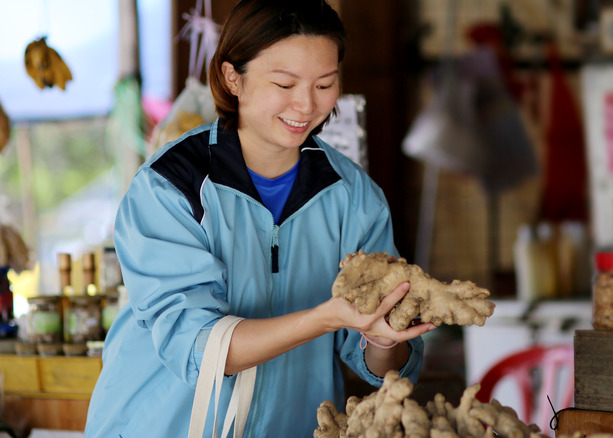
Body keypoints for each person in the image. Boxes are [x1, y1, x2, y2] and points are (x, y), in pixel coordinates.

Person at [84, 1, 434, 436]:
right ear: (234, 78)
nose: (306, 104)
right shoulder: (170, 187)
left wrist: (383, 337)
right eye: (285, 83)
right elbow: (199, 348)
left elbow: (383, 369)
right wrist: (329, 316)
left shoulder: (353, 196)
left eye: (324, 84)